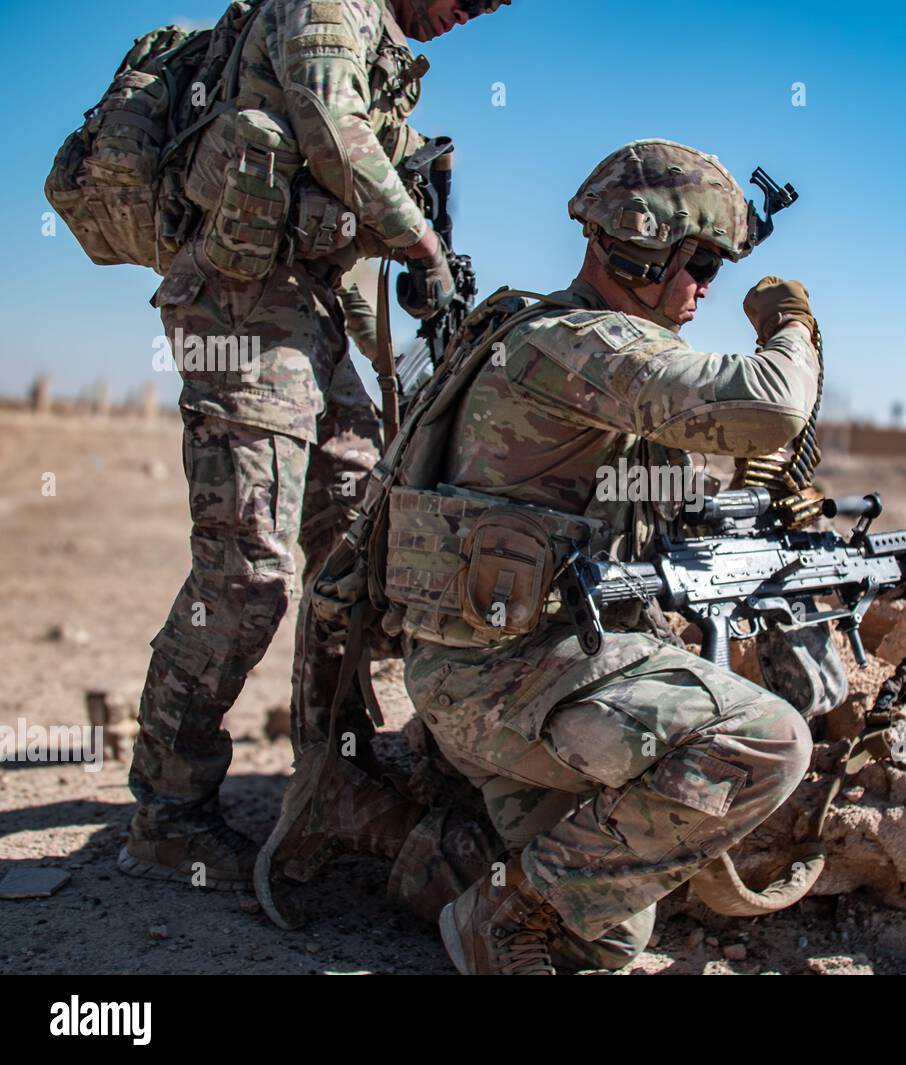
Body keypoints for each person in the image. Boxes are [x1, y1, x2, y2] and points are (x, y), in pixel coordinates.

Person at [259, 138, 822, 973]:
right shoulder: (577, 346)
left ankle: (421, 852)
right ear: (638, 247)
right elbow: (771, 408)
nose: (707, 285)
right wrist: (790, 318)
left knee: (606, 932)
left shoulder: (559, 342)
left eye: (718, 268)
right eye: (699, 261)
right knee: (768, 740)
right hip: (514, 686)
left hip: (497, 680)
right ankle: (506, 909)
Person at [120, 0, 511, 892]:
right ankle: (167, 812)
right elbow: (333, 135)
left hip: (311, 314)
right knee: (248, 570)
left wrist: (402, 365)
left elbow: (345, 229)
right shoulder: (329, 8)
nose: (468, 14)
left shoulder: (390, 49)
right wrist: (422, 241)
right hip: (242, 311)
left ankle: (332, 761)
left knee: (356, 540)